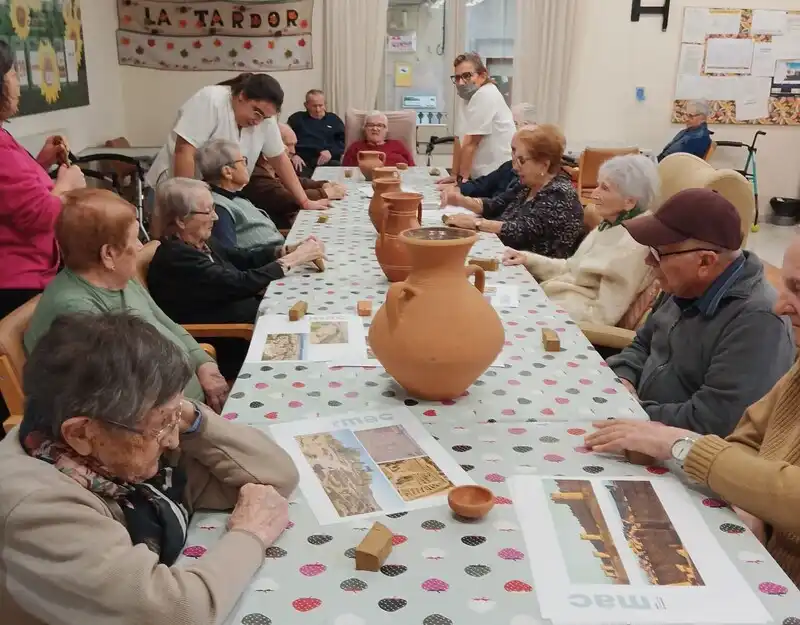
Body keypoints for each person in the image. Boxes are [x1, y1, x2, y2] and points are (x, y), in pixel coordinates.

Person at [0, 311, 299, 625]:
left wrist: (188, 417)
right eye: (163, 423)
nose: (172, 439)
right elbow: (177, 614)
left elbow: (275, 476)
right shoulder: (37, 509)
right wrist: (249, 535)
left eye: (174, 416)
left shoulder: (117, 448)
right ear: (81, 433)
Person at [605, 188, 794, 437]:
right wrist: (624, 380)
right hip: (640, 421)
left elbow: (715, 423)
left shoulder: (757, 321)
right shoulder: (682, 286)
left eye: (658, 253)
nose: (648, 261)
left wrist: (630, 412)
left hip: (675, 446)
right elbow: (642, 345)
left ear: (705, 261)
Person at [24, 188, 231, 412]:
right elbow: (118, 400)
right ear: (108, 254)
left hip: (191, 402)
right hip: (164, 420)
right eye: (134, 239)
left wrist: (203, 363)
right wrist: (194, 413)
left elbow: (166, 324)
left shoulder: (119, 279)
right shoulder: (76, 311)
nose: (140, 247)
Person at [148, 178, 325, 376]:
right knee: (316, 348)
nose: (215, 217)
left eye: (214, 208)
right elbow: (239, 283)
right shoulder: (177, 258)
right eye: (207, 211)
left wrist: (286, 250)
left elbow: (241, 258)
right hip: (233, 341)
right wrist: (294, 259)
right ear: (180, 220)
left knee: (317, 318)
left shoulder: (198, 242)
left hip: (252, 324)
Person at [502, 154, 659, 325]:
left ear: (629, 202)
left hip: (566, 322)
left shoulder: (633, 246)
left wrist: (545, 312)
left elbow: (601, 317)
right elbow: (571, 268)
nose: (594, 193)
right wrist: (528, 259)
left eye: (605, 188)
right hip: (554, 302)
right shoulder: (611, 225)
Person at [146, 72, 326, 211]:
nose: (258, 121)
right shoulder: (211, 100)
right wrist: (188, 204)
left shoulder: (265, 118)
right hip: (175, 188)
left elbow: (279, 159)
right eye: (256, 112)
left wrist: (304, 201)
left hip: (217, 196)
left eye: (265, 117)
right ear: (241, 96)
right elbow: (184, 150)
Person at [0, 40, 86, 320]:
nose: (17, 81)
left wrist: (41, 163)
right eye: (12, 73)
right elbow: (39, 215)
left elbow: (12, 198)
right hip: (18, 286)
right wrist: (68, 185)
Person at [443, 125, 584, 257]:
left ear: (543, 165)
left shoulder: (560, 194)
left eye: (521, 160)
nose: (515, 167)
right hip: (508, 256)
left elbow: (522, 230)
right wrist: (460, 200)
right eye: (514, 158)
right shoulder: (527, 185)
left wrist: (476, 223)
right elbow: (494, 205)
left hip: (531, 270)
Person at [242, 124, 346, 231]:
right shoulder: (255, 174)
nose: (293, 151)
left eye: (294, 145)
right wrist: (326, 193)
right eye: (288, 145)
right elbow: (287, 199)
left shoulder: (270, 167)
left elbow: (296, 182)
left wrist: (322, 184)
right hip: (278, 231)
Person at [438, 52, 515, 183]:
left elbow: (471, 143)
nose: (461, 82)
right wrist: (454, 175)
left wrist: (460, 183)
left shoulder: (486, 94)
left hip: (497, 175)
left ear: (482, 76)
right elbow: (459, 140)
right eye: (457, 77)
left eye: (467, 76)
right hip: (479, 176)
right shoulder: (466, 97)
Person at [193, 139, 284, 249]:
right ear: (227, 172)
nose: (247, 166)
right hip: (274, 257)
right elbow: (230, 254)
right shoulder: (219, 208)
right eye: (243, 161)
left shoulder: (235, 196)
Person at [454, 102, 538, 199]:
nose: (509, 129)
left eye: (513, 123)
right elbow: (481, 185)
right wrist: (455, 188)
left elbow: (499, 204)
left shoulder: (532, 178)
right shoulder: (508, 167)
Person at [287, 89, 345, 177]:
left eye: (320, 105)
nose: (318, 109)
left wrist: (331, 152)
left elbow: (343, 142)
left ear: (325, 104)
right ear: (306, 105)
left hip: (328, 161)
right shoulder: (296, 119)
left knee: (336, 169)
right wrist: (293, 155)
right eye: (314, 106)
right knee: (294, 170)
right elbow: (285, 139)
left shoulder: (334, 119)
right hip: (303, 161)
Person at [341, 111, 415, 168]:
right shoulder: (355, 147)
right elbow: (344, 172)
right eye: (370, 125)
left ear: (386, 129)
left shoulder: (398, 145)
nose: (375, 128)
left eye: (380, 125)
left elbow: (413, 169)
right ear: (364, 128)